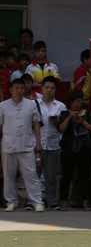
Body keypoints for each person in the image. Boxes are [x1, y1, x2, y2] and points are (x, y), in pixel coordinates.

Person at [1, 80, 43, 212]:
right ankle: (11, 201)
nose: (19, 90)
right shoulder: (3, 105)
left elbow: (36, 124)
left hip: (27, 144)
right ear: (11, 90)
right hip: (8, 144)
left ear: (24, 90)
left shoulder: (31, 104)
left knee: (31, 175)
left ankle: (36, 201)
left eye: (21, 88)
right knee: (9, 175)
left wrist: (38, 142)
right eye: (16, 88)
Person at [59, 95, 91, 210]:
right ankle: (63, 200)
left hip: (84, 149)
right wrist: (70, 117)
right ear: (70, 102)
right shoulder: (65, 113)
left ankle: (86, 200)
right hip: (68, 149)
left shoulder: (88, 114)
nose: (77, 103)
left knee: (85, 176)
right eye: (75, 101)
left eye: (79, 101)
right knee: (66, 175)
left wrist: (83, 122)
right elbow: (61, 129)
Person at [34, 77, 65, 209]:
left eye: (52, 88)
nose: (49, 90)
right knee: (34, 175)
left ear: (55, 90)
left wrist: (57, 122)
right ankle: (35, 201)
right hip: (36, 143)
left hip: (53, 144)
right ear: (42, 88)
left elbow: (63, 128)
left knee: (51, 176)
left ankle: (52, 202)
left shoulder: (61, 106)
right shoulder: (34, 104)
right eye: (47, 87)